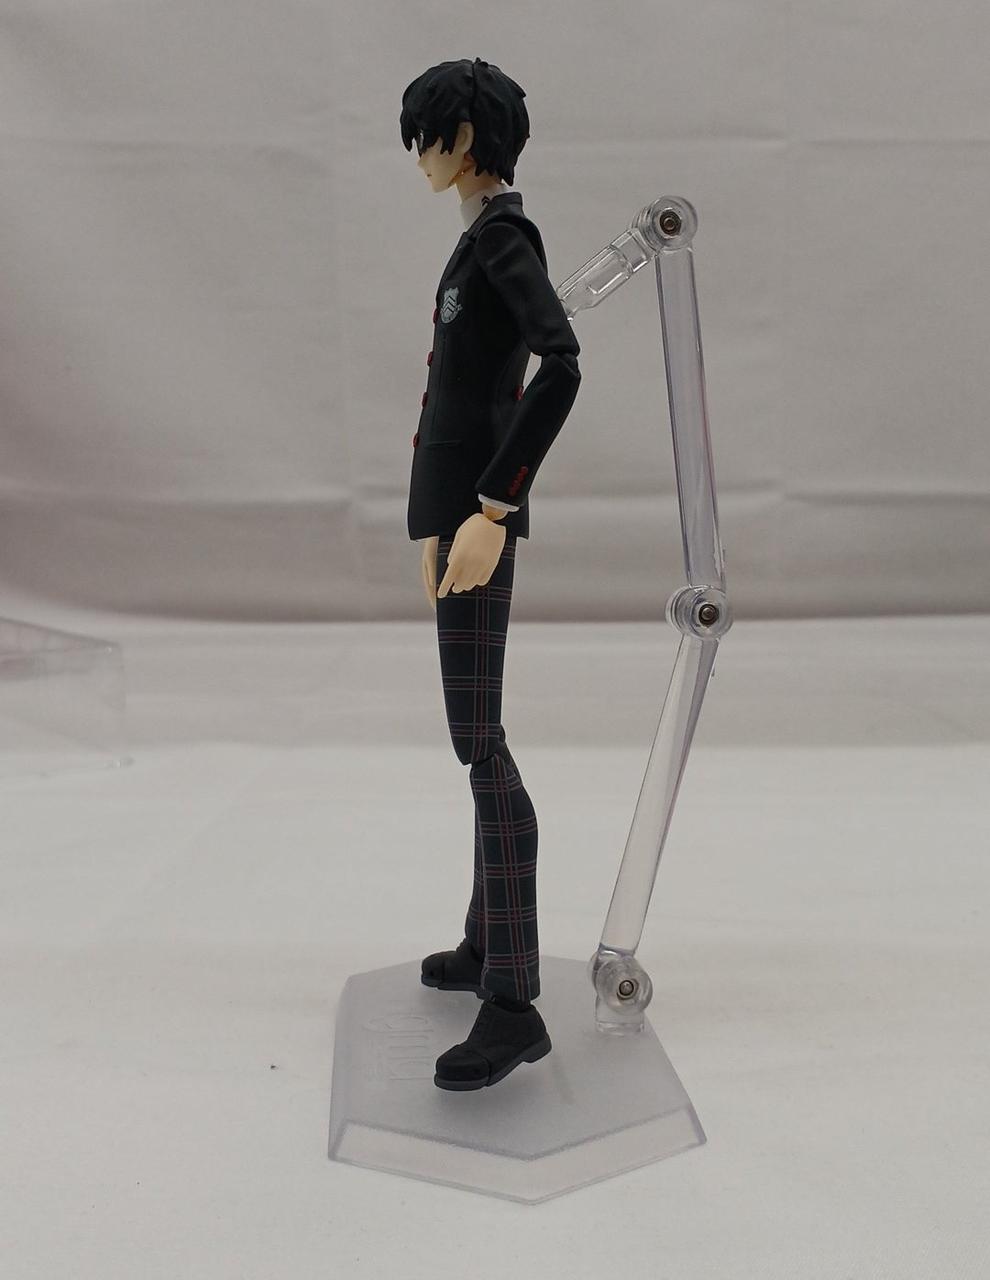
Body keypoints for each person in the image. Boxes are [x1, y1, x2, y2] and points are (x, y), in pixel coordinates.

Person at [400, 57, 581, 1090]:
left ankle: (513, 1002)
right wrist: (441, 517)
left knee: (483, 748)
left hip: (479, 519)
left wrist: (493, 508)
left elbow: (561, 365)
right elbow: (459, 387)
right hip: (455, 519)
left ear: (465, 139)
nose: (420, 157)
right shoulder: (478, 238)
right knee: (474, 742)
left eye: (427, 137)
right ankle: (485, 940)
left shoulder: (505, 240)